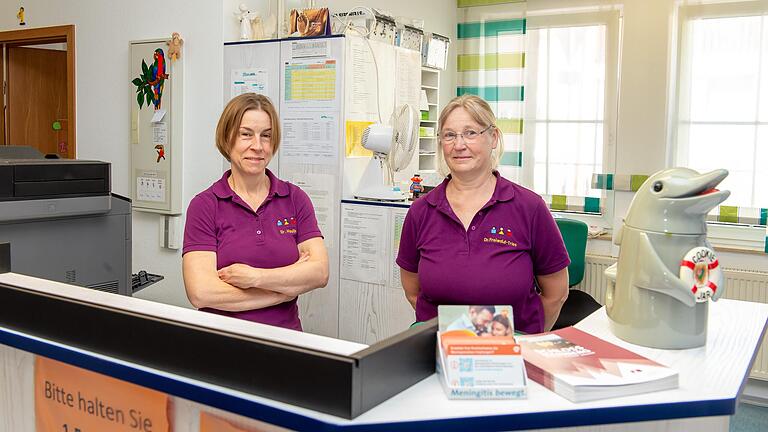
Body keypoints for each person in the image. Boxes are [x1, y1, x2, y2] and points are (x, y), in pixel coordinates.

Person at [396, 95, 570, 334]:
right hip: (440, 348)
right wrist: (461, 333)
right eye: (449, 135)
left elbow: (556, 294)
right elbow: (413, 291)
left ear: (494, 137)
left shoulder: (529, 207)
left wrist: (523, 342)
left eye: (470, 133)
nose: (459, 145)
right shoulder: (421, 211)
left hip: (510, 353)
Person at [182, 93, 329, 331]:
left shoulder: (294, 199)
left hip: (287, 345)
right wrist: (282, 292)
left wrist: (256, 278)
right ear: (227, 137)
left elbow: (319, 272)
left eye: (266, 136)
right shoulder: (205, 205)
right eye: (246, 134)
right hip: (223, 348)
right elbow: (202, 293)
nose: (258, 146)